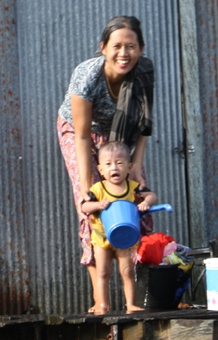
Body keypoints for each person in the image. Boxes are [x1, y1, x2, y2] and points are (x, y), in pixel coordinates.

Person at [57, 16, 155, 314]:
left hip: (121, 134)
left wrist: (137, 163)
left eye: (131, 46)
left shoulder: (144, 70)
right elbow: (84, 136)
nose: (123, 53)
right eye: (116, 46)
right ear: (103, 48)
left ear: (140, 49)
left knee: (136, 199)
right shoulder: (87, 75)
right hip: (80, 133)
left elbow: (143, 122)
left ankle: (143, 297)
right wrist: (87, 188)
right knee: (93, 205)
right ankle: (100, 300)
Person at [81, 141, 158, 313]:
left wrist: (145, 202)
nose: (114, 167)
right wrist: (98, 205)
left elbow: (152, 195)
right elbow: (84, 207)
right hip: (102, 238)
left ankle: (130, 304)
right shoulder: (98, 188)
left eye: (120, 163)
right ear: (100, 169)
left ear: (129, 167)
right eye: (108, 164)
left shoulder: (132, 187)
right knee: (103, 271)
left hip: (126, 237)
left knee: (127, 271)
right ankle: (103, 304)